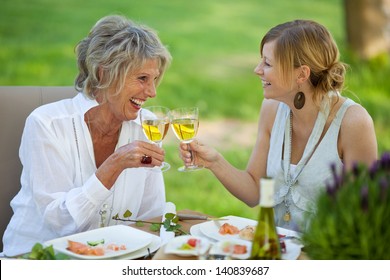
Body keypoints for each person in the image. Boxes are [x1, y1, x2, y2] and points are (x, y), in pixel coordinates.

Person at [180, 19, 378, 232]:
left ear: (301, 74)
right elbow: (255, 190)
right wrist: (214, 162)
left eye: (267, 63)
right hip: (273, 251)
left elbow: (362, 218)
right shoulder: (272, 109)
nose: (257, 70)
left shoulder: (353, 123)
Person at [2, 15, 172, 256]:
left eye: (154, 79)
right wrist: (114, 164)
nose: (152, 92)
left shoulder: (148, 126)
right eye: (142, 78)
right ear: (103, 74)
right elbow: (59, 223)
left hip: (113, 260)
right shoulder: (47, 124)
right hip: (37, 259)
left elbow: (151, 218)